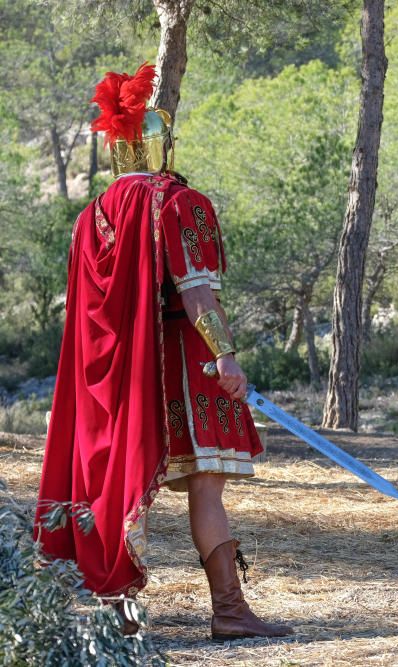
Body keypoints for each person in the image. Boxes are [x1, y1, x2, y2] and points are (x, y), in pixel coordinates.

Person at [34, 64, 292, 640]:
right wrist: (226, 355)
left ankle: (117, 620)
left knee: (116, 484)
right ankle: (229, 611)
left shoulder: (89, 218)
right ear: (162, 141)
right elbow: (197, 292)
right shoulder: (178, 202)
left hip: (112, 379)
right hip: (181, 361)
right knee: (206, 484)